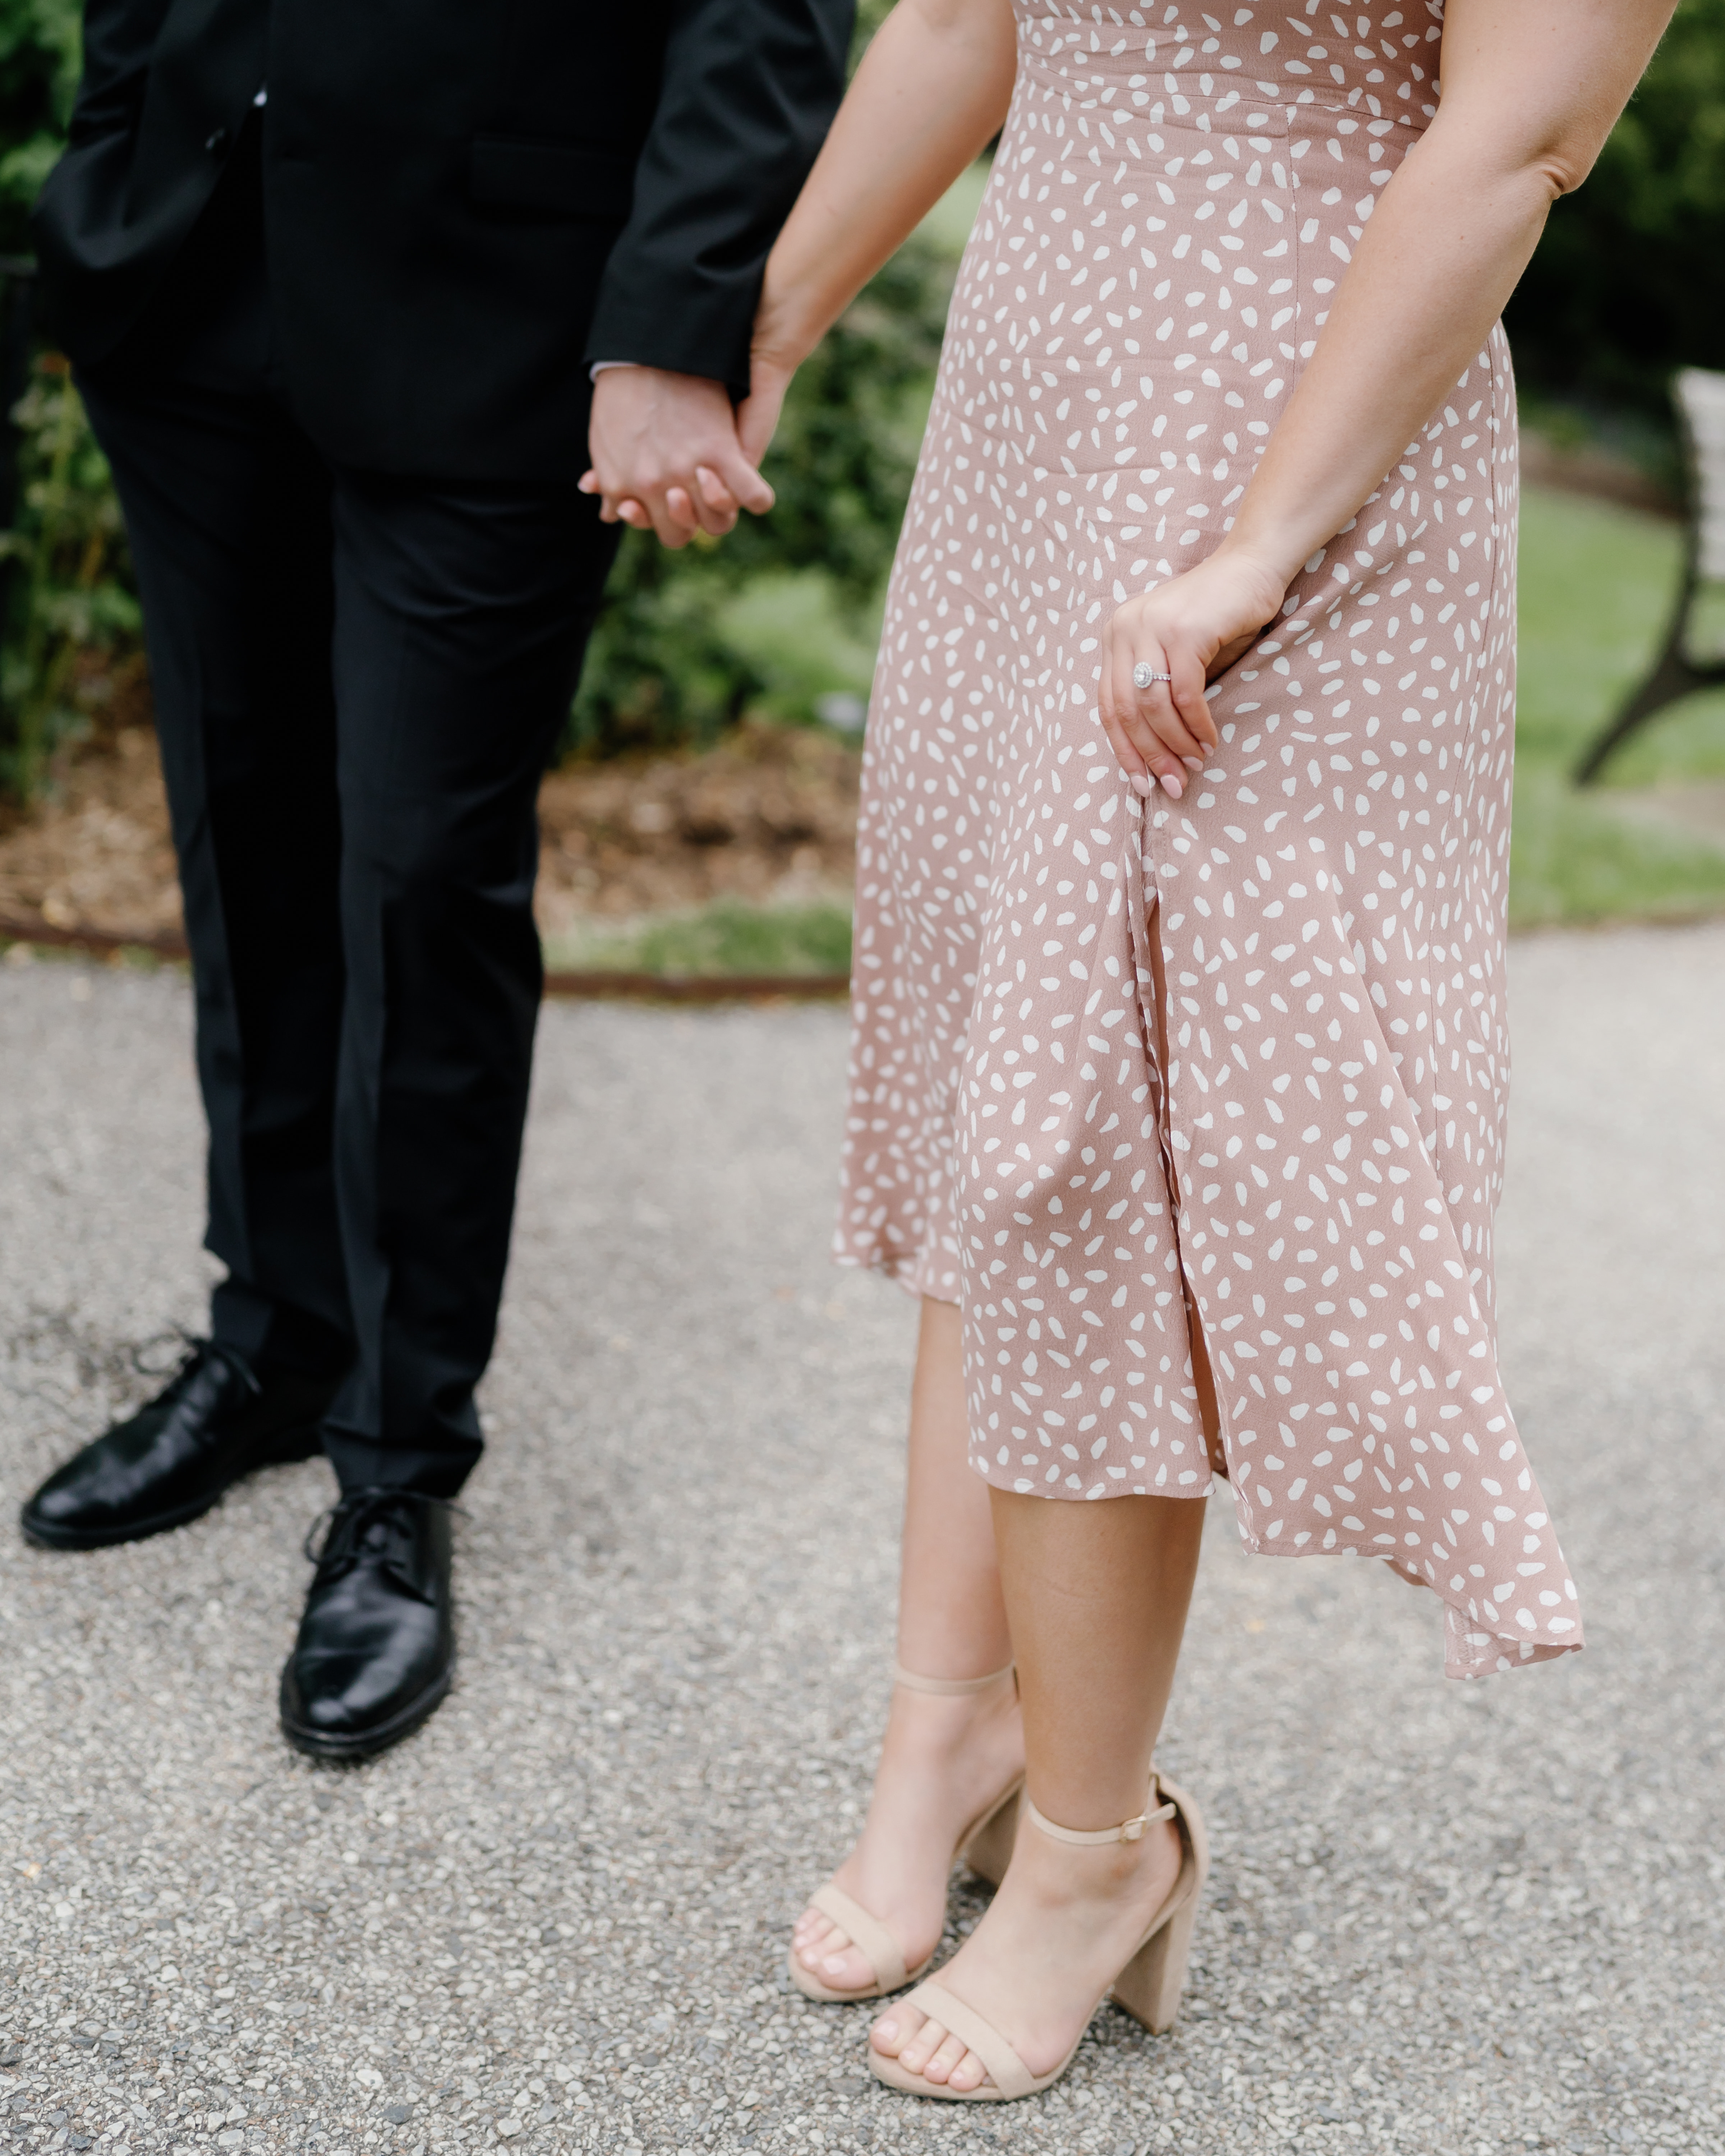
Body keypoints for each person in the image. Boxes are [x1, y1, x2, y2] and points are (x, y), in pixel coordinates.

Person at [670, 0, 1668, 2103]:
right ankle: (953, 1722)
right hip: (1043, 417)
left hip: (1284, 455)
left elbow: (1517, 137)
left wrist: (1257, 542)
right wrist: (762, 322)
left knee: (1097, 1141)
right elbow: (967, 10)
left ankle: (1095, 1856)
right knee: (990, 1089)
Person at [20, 0, 852, 1760]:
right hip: (190, 265)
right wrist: (120, 145)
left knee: (422, 882)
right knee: (242, 842)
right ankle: (275, 1338)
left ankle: (399, 1465)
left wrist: (668, 325)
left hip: (505, 304)